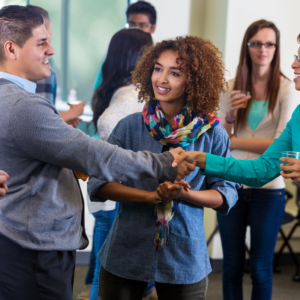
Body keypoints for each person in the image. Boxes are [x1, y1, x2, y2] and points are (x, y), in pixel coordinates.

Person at [0, 6, 195, 300]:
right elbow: (94, 154)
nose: (51, 50)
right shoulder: (23, 105)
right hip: (34, 247)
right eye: (42, 43)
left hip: (20, 237)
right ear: (11, 49)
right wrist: (164, 163)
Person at [88, 36, 239, 300]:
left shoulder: (213, 134)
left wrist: (184, 195)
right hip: (126, 250)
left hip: (184, 256)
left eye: (175, 72)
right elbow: (98, 183)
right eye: (158, 68)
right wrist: (151, 197)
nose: (162, 79)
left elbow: (227, 192)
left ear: (193, 80)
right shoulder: (129, 126)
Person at [216, 20, 298, 300]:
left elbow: (278, 146)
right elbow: (217, 139)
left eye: (270, 43)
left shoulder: (287, 89)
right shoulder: (229, 87)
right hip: (232, 185)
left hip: (269, 188)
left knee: (262, 269)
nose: (263, 49)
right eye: (256, 43)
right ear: (246, 47)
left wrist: (234, 141)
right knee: (232, 267)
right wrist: (228, 117)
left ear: (276, 48)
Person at [89, 28, 154, 300]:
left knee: (107, 274)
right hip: (116, 197)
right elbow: (108, 126)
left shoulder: (115, 89)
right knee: (107, 277)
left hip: (108, 196)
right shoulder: (130, 96)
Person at [28, 4, 85, 128]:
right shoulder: (41, 69)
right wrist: (73, 112)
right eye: (50, 28)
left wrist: (62, 120)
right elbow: (43, 121)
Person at [94, 0, 157, 89]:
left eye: (142, 25)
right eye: (132, 25)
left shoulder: (160, 59)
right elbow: (99, 92)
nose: (136, 30)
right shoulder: (115, 57)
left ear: (153, 28)